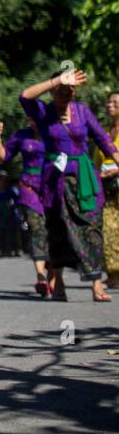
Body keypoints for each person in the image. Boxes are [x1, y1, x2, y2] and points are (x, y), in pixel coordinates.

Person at [20, 69, 119, 302]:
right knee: (58, 229)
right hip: (56, 181)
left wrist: (117, 159)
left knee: (93, 227)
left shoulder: (82, 111)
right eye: (62, 89)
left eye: (70, 89)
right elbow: (25, 96)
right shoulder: (44, 112)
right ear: (53, 90)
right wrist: (56, 80)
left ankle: (96, 285)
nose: (66, 93)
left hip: (85, 177)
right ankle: (59, 281)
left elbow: (103, 140)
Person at [0, 120, 49, 294]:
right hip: (29, 187)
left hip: (53, 185)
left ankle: (55, 276)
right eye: (29, 117)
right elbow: (3, 157)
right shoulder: (22, 135)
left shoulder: (55, 131)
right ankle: (41, 276)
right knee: (36, 228)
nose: (31, 121)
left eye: (35, 116)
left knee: (54, 229)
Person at [101, 92, 119, 290]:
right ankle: (113, 274)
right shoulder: (104, 134)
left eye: (115, 102)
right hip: (107, 189)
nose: (109, 105)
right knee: (108, 230)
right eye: (109, 102)